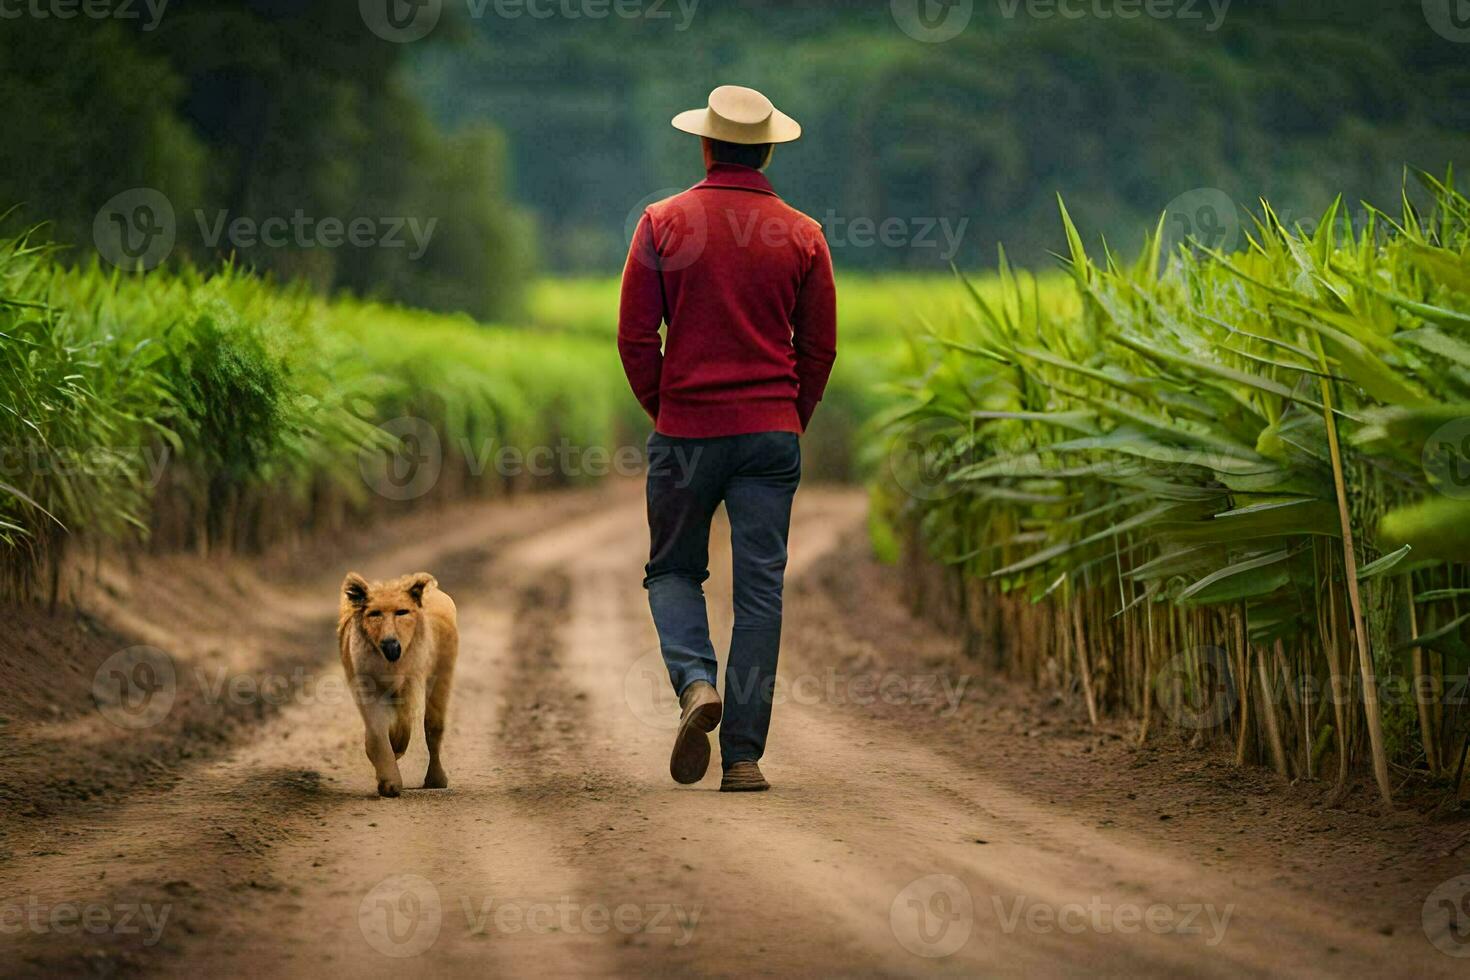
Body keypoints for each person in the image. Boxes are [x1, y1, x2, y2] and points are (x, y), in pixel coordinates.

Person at [618, 84, 837, 792]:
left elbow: (632, 336)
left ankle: (695, 684)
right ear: (768, 148)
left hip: (686, 431)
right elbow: (820, 349)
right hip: (770, 435)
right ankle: (743, 758)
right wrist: (786, 417)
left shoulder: (662, 223)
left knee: (674, 571)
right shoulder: (804, 234)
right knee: (761, 594)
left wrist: (669, 407)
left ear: (707, 145)